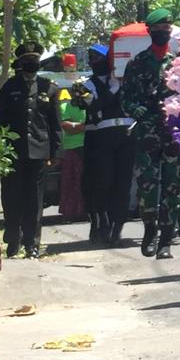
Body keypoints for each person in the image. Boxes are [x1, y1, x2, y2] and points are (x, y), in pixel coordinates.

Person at [123, 9, 180, 260]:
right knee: (148, 184)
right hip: (148, 132)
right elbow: (126, 98)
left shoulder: (179, 63)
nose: (163, 33)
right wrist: (140, 111)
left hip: (174, 133)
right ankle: (149, 232)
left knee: (173, 184)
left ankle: (166, 239)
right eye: (158, 29)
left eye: (167, 29)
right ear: (150, 32)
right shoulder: (136, 63)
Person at [0, 42, 60, 258]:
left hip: (39, 151)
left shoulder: (48, 87)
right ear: (20, 63)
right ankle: (13, 239)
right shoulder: (7, 87)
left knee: (34, 199)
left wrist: (54, 152)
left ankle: (32, 243)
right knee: (12, 196)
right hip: (12, 152)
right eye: (27, 60)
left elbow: (54, 123)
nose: (32, 63)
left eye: (35, 60)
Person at [72, 44, 135, 247]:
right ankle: (100, 223)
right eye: (90, 58)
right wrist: (111, 91)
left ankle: (117, 228)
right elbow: (91, 105)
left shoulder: (126, 82)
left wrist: (120, 85)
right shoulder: (84, 86)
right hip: (101, 138)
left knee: (122, 184)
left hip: (126, 136)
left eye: (97, 58)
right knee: (102, 182)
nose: (93, 62)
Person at [58, 54, 88, 222]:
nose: (79, 91)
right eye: (76, 88)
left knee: (85, 181)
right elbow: (67, 127)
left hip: (88, 147)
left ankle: (85, 211)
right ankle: (70, 213)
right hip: (72, 148)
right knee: (71, 182)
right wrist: (82, 126)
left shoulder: (88, 106)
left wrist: (80, 126)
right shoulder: (65, 106)